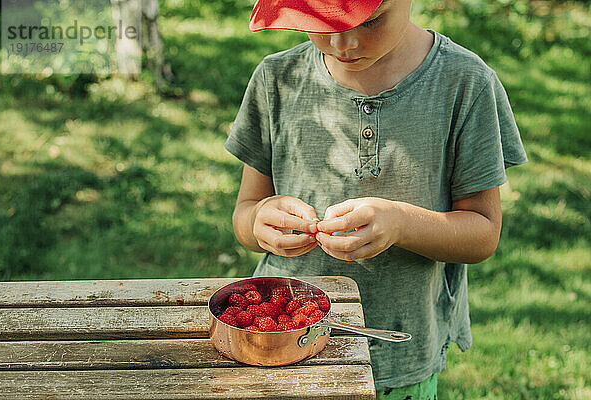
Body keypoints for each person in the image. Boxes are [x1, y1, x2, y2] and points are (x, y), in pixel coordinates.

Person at [224, 0, 528, 398]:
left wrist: (400, 224)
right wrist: (258, 220)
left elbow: (482, 234)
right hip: (284, 348)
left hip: (402, 354)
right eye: (321, 23)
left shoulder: (464, 83)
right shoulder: (277, 79)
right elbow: (245, 216)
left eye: (369, 22)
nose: (343, 43)